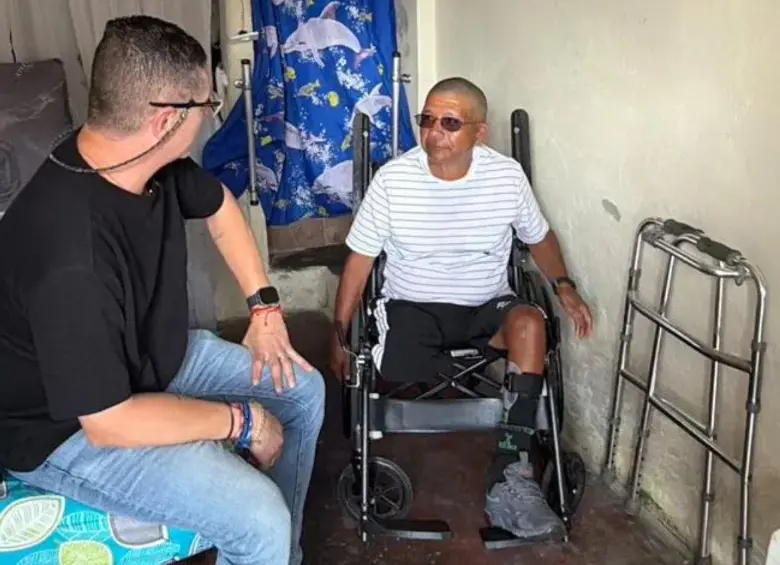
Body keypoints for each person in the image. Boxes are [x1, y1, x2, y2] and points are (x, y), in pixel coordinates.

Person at [0, 16, 324, 565]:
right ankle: (265, 542)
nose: (210, 114)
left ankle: (276, 555)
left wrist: (263, 306)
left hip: (151, 358)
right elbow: (110, 422)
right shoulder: (70, 253)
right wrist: (243, 420)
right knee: (256, 514)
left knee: (301, 390)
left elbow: (219, 204)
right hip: (64, 428)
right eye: (206, 104)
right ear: (168, 120)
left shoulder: (144, 164)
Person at [329, 77, 594, 541]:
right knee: (395, 364)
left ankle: (511, 475)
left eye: (449, 123)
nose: (433, 133)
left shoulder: (506, 176)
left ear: (479, 132)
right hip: (412, 307)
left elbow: (538, 237)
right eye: (426, 120)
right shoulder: (394, 180)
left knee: (531, 322)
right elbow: (360, 261)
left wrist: (564, 286)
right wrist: (339, 332)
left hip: (484, 307)